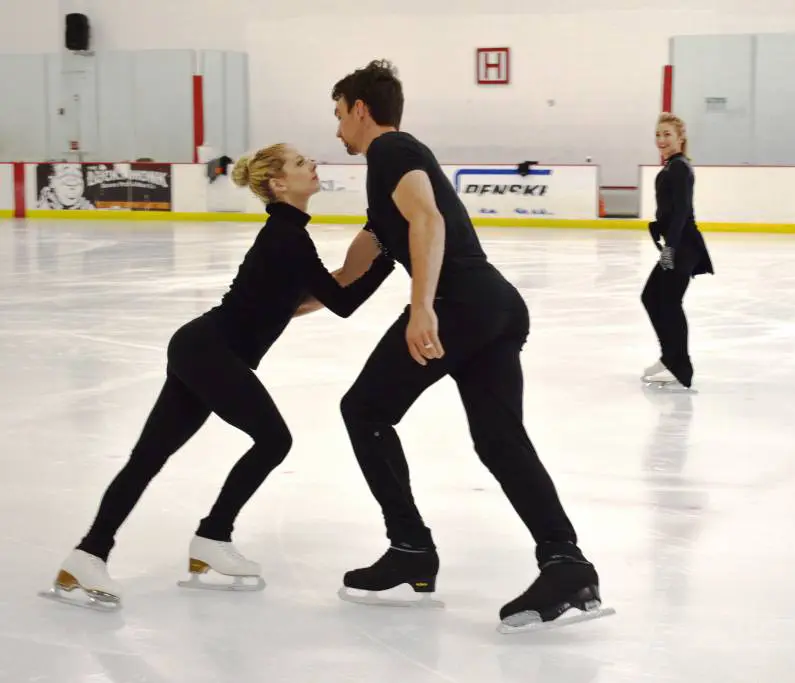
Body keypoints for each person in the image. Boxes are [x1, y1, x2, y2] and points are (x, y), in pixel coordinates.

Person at [40, 143, 395, 610]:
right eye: (300, 163)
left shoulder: (287, 236)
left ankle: (91, 554)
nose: (312, 166)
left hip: (202, 349)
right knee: (273, 441)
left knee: (149, 457)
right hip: (209, 352)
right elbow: (342, 302)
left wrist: (372, 254)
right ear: (278, 183)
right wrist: (388, 259)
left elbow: (304, 302)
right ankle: (210, 536)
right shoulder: (288, 238)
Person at [326, 59, 612, 633]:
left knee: (364, 409)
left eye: (339, 115)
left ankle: (410, 548)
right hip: (493, 306)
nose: (337, 131)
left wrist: (423, 306)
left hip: (458, 305)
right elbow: (344, 280)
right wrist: (262, 303)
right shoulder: (386, 186)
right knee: (499, 440)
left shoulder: (391, 150)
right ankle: (566, 564)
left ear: (361, 109)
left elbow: (428, 221)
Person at [641, 112, 714, 388]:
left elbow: (683, 210)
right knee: (652, 298)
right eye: (658, 134)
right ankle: (670, 358)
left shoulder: (680, 167)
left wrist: (669, 247)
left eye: (667, 134)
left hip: (683, 246)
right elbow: (672, 210)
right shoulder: (673, 166)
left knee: (668, 303)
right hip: (678, 243)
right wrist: (658, 226)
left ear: (681, 138)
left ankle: (679, 365)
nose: (661, 140)